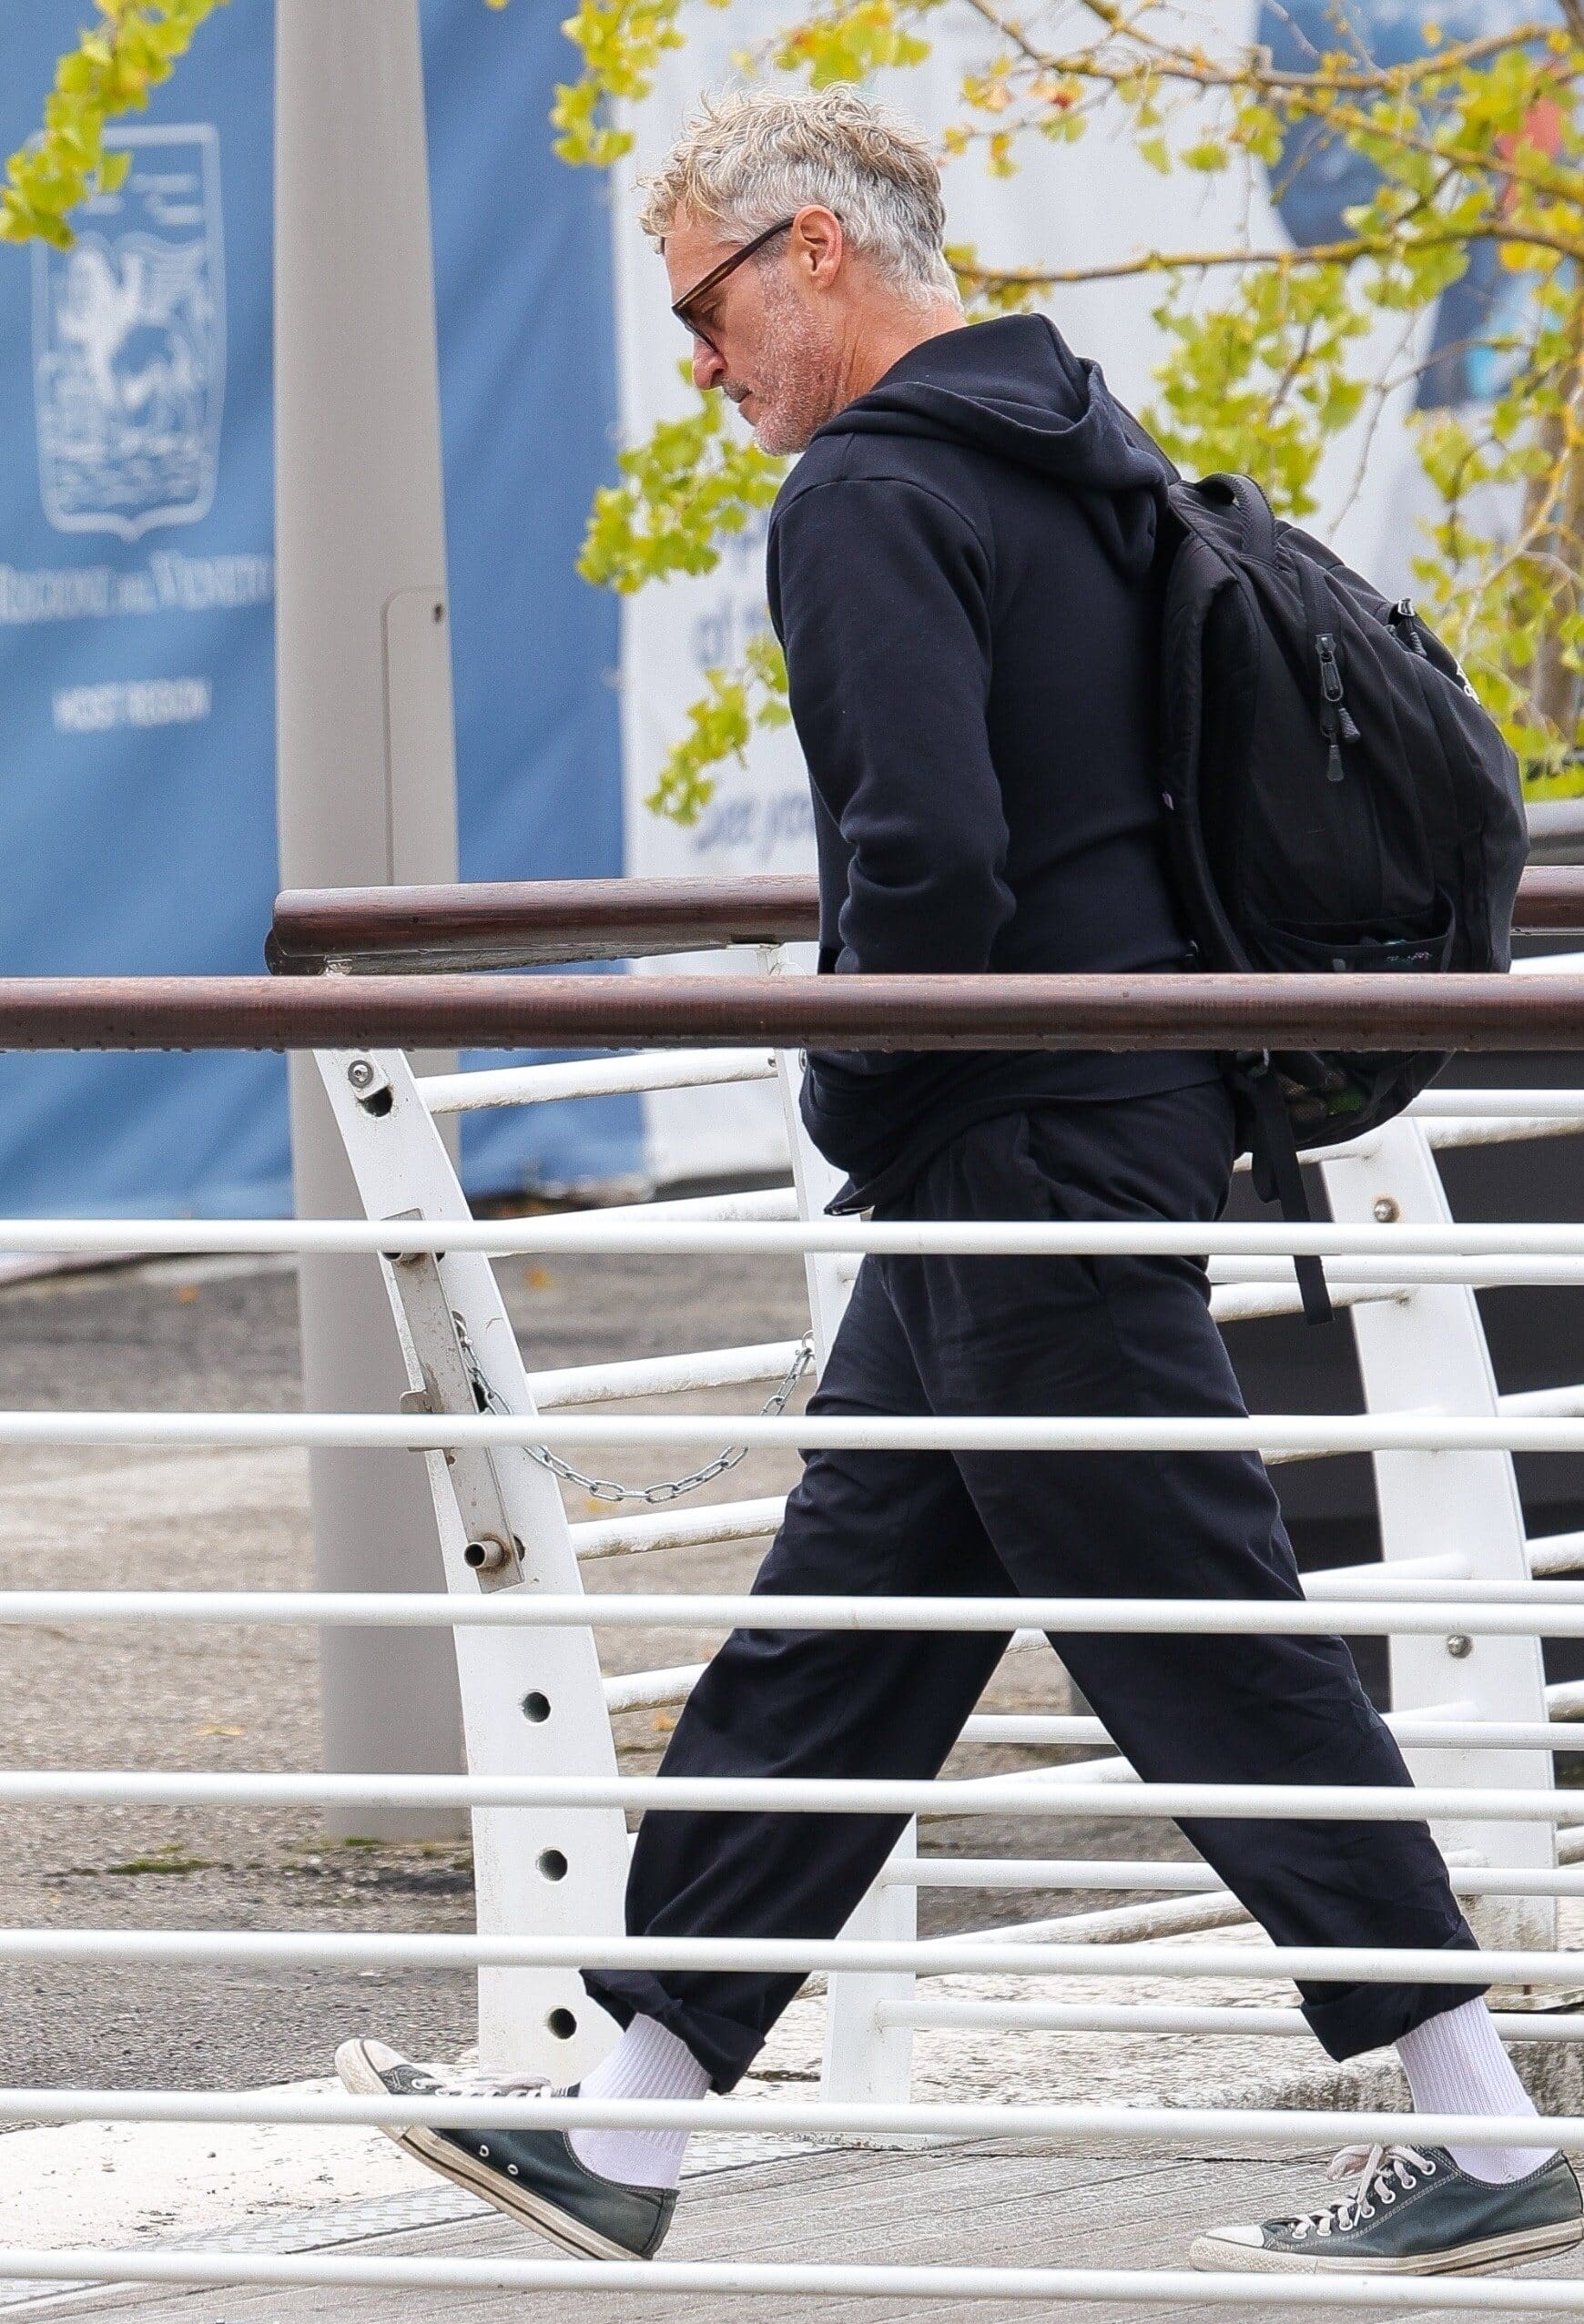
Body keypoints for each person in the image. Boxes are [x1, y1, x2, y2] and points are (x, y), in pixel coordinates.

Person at [340, 86, 1581, 2278]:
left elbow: (921, 864)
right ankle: (627, 2120)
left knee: (1190, 1617)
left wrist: (839, 1094)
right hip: (1093, 1123)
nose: (699, 366)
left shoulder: (873, 492)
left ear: (811, 251)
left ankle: (1483, 2123)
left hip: (1013, 1144)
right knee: (846, 1622)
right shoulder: (1075, 453)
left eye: (705, 312)